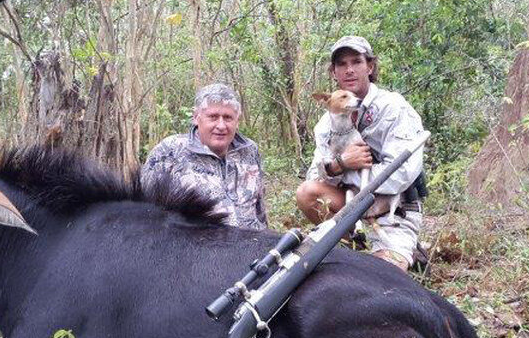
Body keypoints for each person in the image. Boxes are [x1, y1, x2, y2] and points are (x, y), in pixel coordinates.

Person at [296, 36, 428, 271]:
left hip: (392, 213)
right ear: (334, 73)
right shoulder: (326, 123)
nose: (349, 70)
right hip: (351, 208)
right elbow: (315, 173)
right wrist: (339, 164)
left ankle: (405, 250)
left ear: (370, 66)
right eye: (341, 65)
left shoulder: (394, 108)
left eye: (356, 62)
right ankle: (351, 245)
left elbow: (403, 174)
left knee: (380, 277)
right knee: (307, 193)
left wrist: (349, 173)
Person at [141, 83, 268, 230]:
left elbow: (259, 211)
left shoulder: (249, 150)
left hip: (251, 246)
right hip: (197, 247)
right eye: (213, 117)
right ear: (196, 117)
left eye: (228, 118)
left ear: (237, 121)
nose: (221, 126)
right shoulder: (170, 151)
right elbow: (146, 212)